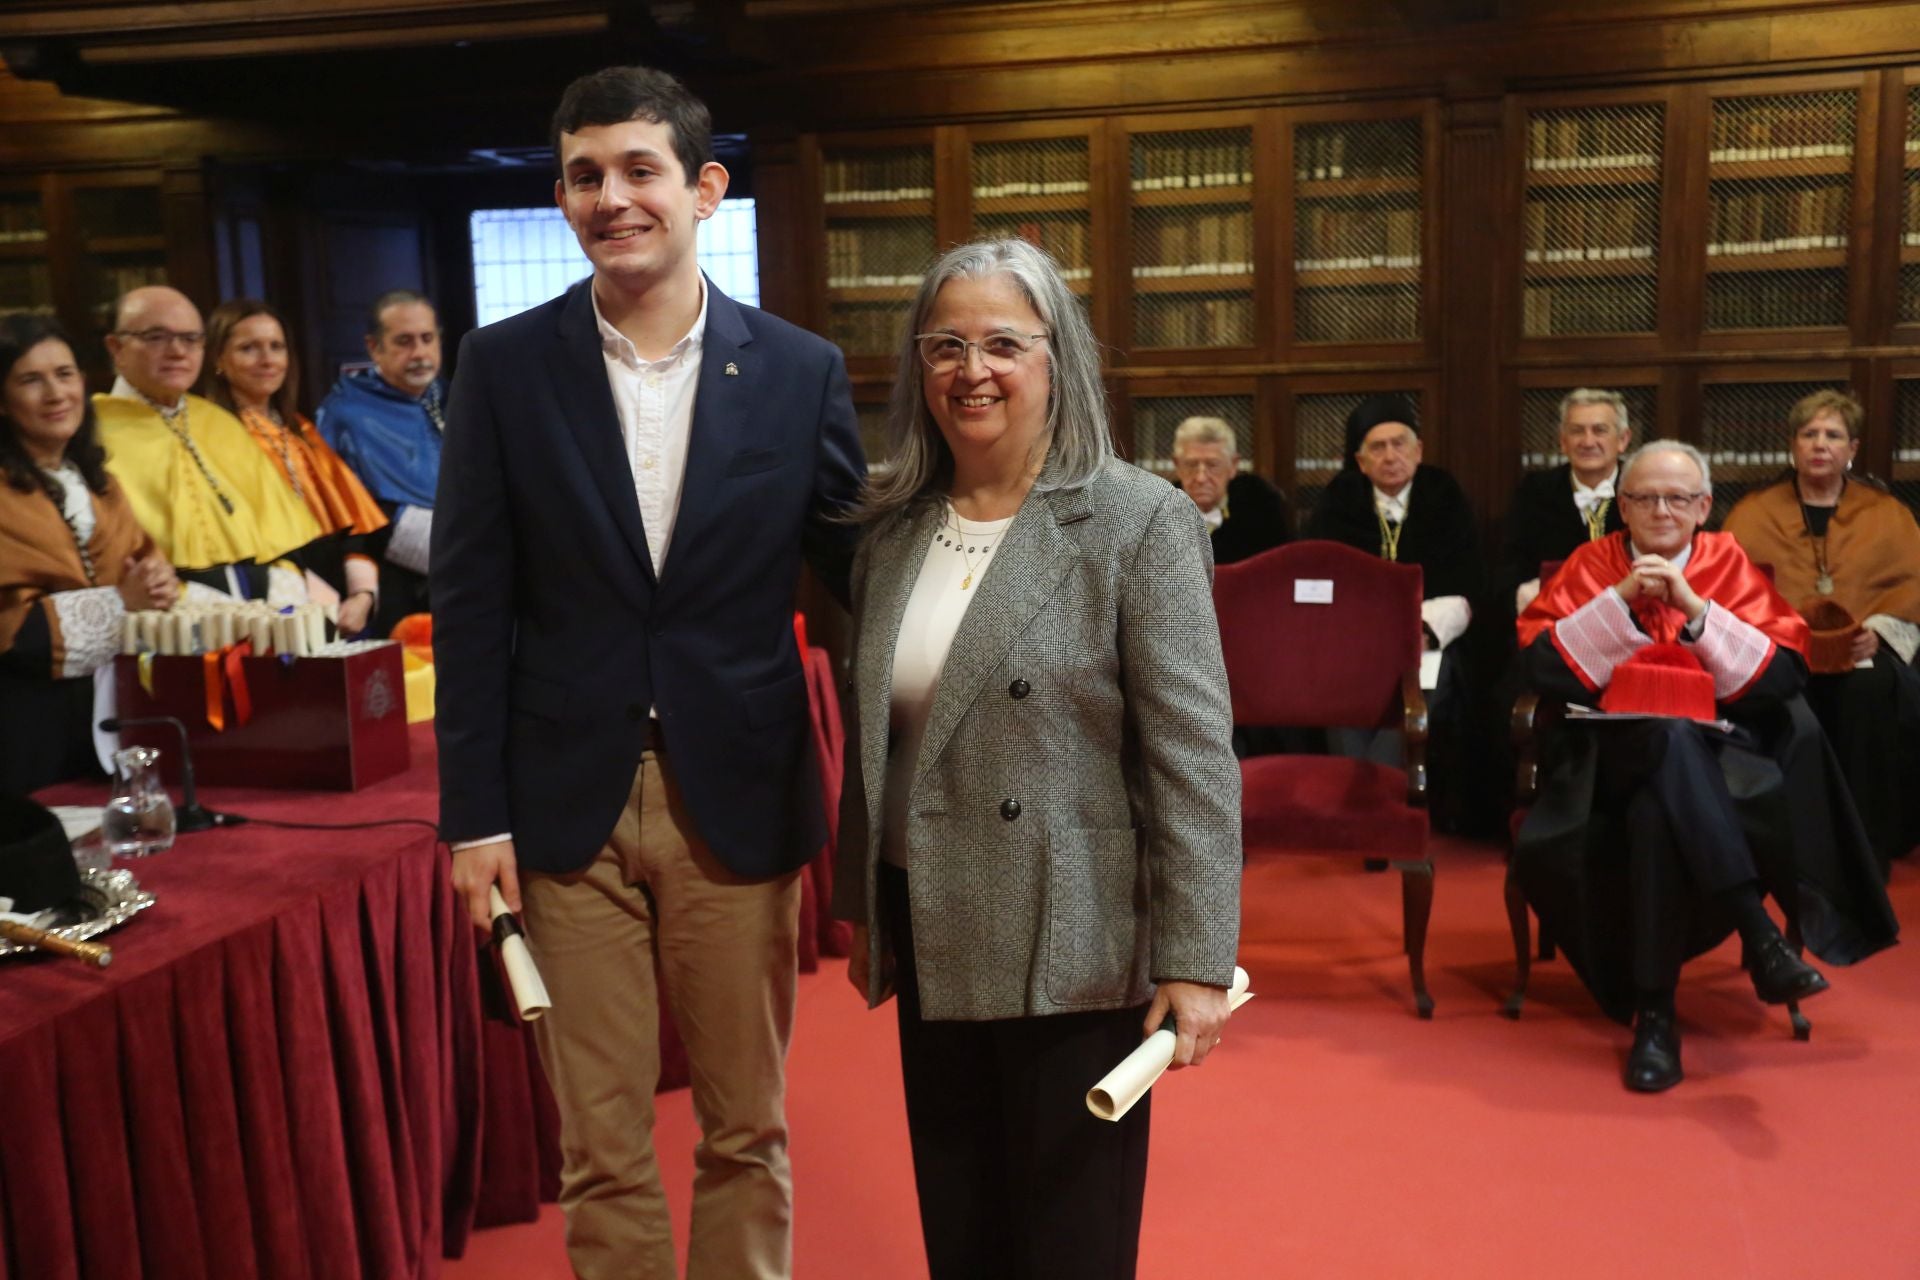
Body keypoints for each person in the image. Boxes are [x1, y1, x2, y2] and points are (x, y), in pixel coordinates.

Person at [432, 65, 865, 1280]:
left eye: (640, 170)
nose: (612, 197)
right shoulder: (504, 367)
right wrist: (473, 818)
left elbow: (866, 567)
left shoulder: (796, 368)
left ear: (704, 187)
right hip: (563, 804)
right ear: (563, 196)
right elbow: (468, 607)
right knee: (602, 1143)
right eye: (585, 175)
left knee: (747, 1126)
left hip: (738, 790)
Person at [831, 237, 1241, 1280]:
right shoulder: (892, 528)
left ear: (1059, 360)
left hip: (1076, 932)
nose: (973, 369)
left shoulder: (1137, 519)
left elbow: (1193, 753)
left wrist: (1195, 956)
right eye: (946, 344)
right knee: (963, 1233)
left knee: (1069, 1243)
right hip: (932, 919)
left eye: (1004, 343)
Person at [1515, 440, 1897, 1092]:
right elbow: (1540, 667)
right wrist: (1623, 601)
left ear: (1703, 507)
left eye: (1677, 498)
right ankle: (1761, 936)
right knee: (1662, 737)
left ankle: (1657, 1020)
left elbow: (1781, 677)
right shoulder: (1592, 563)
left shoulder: (1727, 561)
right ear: (1621, 507)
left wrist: (1693, 608)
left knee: (1659, 795)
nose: (1661, 510)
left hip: (1717, 758)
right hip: (1607, 755)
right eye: (1643, 498)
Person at [1724, 389, 1920, 867]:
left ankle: (1864, 846)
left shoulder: (1886, 514)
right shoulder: (1753, 511)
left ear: (1852, 449)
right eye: (1809, 434)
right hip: (1779, 651)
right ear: (1792, 444)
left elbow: (1912, 584)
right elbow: (1732, 587)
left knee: (1871, 690)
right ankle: (1790, 844)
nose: (1820, 444)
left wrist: (1881, 631)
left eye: (1833, 435)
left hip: (1863, 651)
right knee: (1786, 692)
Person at [0, 314, 178, 793]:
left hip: (113, 715)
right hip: (26, 727)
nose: (56, 394)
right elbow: (15, 633)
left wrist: (160, 583)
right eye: (31, 380)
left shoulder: (101, 484)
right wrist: (121, 603)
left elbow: (145, 564)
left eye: (65, 374)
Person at [1305, 395, 1482, 820]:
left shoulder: (1443, 494)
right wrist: (1357, 631)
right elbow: (1318, 575)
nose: (1390, 456)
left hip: (1425, 636)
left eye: (1399, 444)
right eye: (1378, 448)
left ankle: (1369, 802)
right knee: (1334, 686)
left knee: (1423, 689)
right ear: (1361, 461)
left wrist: (1418, 629)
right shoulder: (1340, 499)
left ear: (1418, 450)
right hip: (1352, 638)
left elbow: (1468, 580)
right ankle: (1364, 798)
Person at [93, 285, 320, 601]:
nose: (178, 351)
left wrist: (286, 583)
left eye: (190, 339)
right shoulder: (89, 431)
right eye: (156, 337)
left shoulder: (220, 422)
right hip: (158, 612)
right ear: (116, 347)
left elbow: (279, 540)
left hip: (260, 612)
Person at [202, 299, 389, 636]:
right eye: (249, 348)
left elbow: (352, 530)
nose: (268, 360)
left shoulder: (301, 430)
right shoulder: (214, 438)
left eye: (277, 347)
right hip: (279, 609)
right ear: (218, 358)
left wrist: (362, 595)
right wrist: (322, 603)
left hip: (345, 607)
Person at [316, 289, 445, 635]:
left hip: (464, 557)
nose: (419, 353)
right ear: (374, 347)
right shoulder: (344, 412)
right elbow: (343, 510)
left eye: (427, 339)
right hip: (390, 566)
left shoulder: (449, 395)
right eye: (403, 341)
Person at [1504, 388, 1631, 614]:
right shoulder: (1535, 491)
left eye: (1600, 430)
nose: (1588, 441)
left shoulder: (1641, 490)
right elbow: (1513, 568)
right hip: (1554, 616)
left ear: (1622, 440)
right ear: (1563, 442)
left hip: (1631, 614)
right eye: (1577, 431)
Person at [1170, 414, 1291, 564]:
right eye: (1191, 465)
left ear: (1233, 465)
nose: (1201, 478)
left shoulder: (1263, 510)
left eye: (1212, 465)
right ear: (1177, 466)